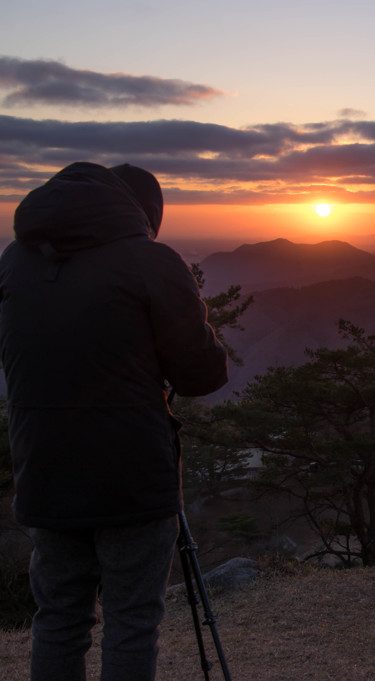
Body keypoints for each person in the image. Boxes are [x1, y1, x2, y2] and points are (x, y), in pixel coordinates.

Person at [0, 162, 228, 680]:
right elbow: (201, 374)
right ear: (144, 213)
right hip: (131, 473)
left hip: (42, 468)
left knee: (58, 618)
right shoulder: (150, 261)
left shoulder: (14, 261)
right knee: (131, 620)